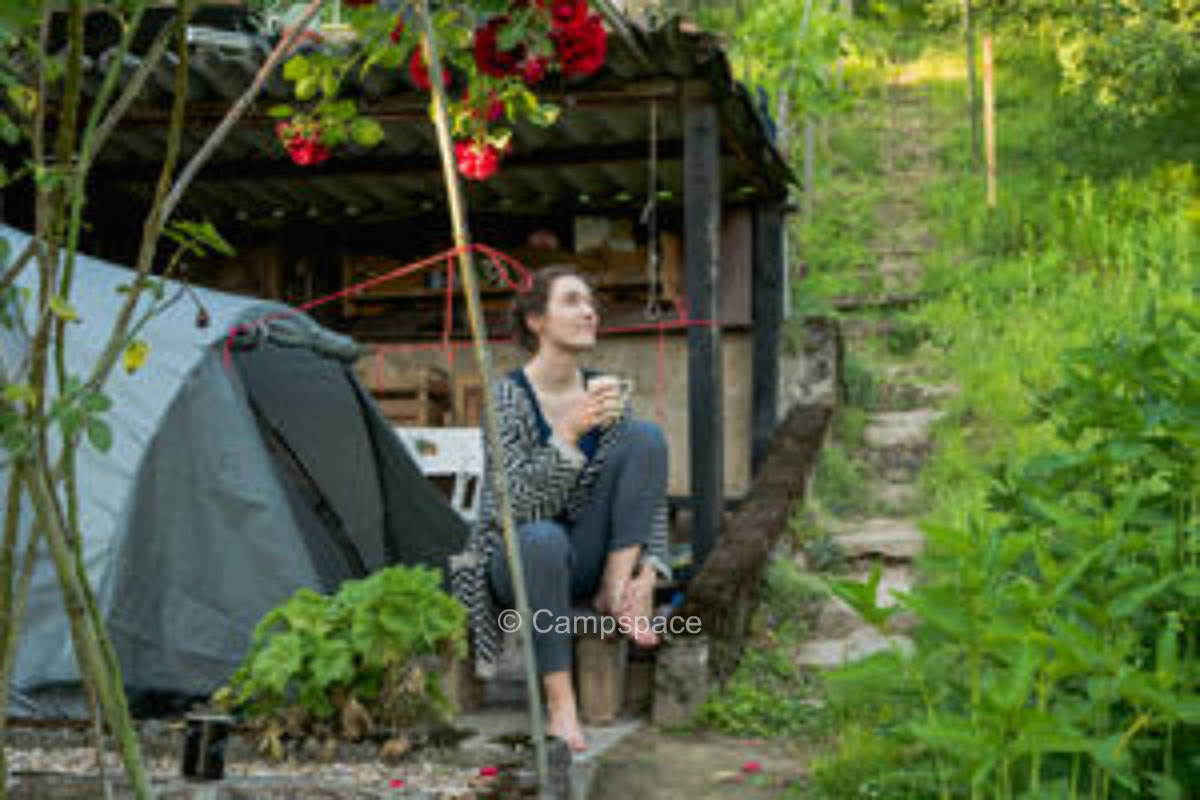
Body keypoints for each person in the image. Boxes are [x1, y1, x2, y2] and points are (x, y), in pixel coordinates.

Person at [453, 265, 671, 753]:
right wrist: (568, 434)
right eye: (572, 300)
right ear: (537, 321)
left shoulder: (606, 392)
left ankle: (614, 590)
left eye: (591, 302)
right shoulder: (506, 398)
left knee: (646, 438)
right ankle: (560, 703)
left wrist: (648, 570)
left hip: (588, 558)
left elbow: (643, 494)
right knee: (540, 538)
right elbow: (520, 507)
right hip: (518, 562)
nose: (589, 311)